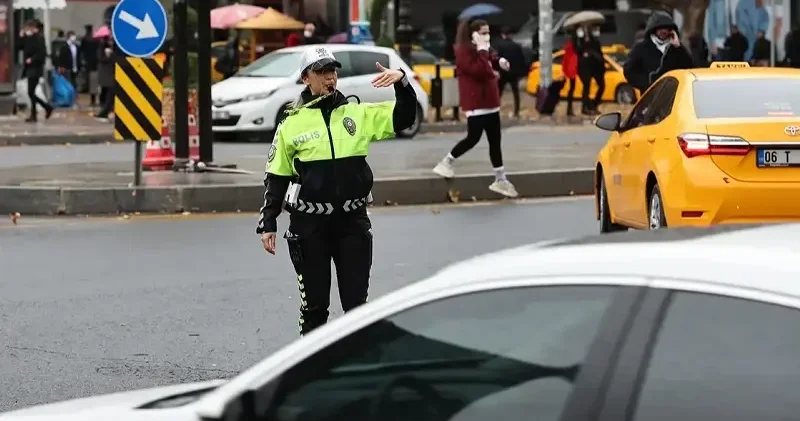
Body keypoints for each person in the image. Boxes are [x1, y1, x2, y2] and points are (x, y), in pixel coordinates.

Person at [256, 46, 418, 335]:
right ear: (306, 78)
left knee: (357, 306)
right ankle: (312, 369)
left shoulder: (356, 113)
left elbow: (402, 118)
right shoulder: (290, 123)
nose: (330, 78)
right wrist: (268, 222)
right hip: (309, 226)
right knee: (316, 307)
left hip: (352, 223)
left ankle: (353, 370)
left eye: (333, 71)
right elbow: (277, 174)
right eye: (321, 72)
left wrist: (402, 82)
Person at [431, 19, 518, 198]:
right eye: (483, 33)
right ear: (472, 34)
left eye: (488, 32)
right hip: (477, 101)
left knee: (495, 140)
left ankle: (500, 179)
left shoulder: (484, 48)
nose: (487, 36)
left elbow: (490, 57)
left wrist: (499, 60)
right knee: (473, 137)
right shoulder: (464, 51)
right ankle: (446, 162)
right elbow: (479, 70)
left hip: (490, 101)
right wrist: (487, 61)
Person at [623, 11, 694, 93]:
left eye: (666, 28)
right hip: (650, 97)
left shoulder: (676, 48)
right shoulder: (641, 47)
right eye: (660, 28)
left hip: (673, 96)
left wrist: (678, 47)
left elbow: (689, 67)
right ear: (653, 29)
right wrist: (647, 83)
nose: (663, 31)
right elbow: (629, 71)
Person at [20, 19, 53, 123]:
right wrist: (21, 37)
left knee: (30, 92)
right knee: (31, 92)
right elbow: (21, 47)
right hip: (30, 68)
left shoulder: (39, 38)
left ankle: (46, 107)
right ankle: (35, 114)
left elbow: (41, 53)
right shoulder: (29, 38)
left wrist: (32, 59)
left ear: (32, 28)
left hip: (35, 68)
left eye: (27, 28)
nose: (26, 30)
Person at [494, 26, 526, 119]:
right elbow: (521, 60)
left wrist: (496, 71)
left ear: (502, 35)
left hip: (503, 72)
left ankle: (495, 110)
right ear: (511, 35)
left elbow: (497, 60)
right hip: (513, 73)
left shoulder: (499, 46)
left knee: (499, 92)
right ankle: (516, 111)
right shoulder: (516, 46)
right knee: (515, 93)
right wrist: (521, 73)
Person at [575, 24, 604, 115]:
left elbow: (599, 52)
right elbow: (579, 51)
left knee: (601, 86)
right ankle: (585, 107)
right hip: (585, 67)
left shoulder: (594, 40)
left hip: (595, 67)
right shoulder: (579, 40)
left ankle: (593, 104)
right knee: (586, 87)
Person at [94, 36, 116, 121]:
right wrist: (109, 55)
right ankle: (105, 112)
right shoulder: (102, 47)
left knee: (110, 94)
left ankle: (105, 112)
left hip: (113, 73)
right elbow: (101, 58)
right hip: (107, 74)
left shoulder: (114, 47)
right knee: (108, 93)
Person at [79, 25, 99, 106]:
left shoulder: (84, 39)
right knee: (94, 82)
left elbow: (81, 50)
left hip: (88, 63)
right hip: (96, 63)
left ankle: (92, 100)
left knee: (88, 81)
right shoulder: (96, 39)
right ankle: (94, 99)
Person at [562, 32, 579, 116]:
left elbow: (565, 60)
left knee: (571, 90)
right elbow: (569, 60)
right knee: (571, 90)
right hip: (572, 71)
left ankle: (569, 109)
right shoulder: (572, 48)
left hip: (571, 71)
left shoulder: (569, 47)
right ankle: (569, 109)